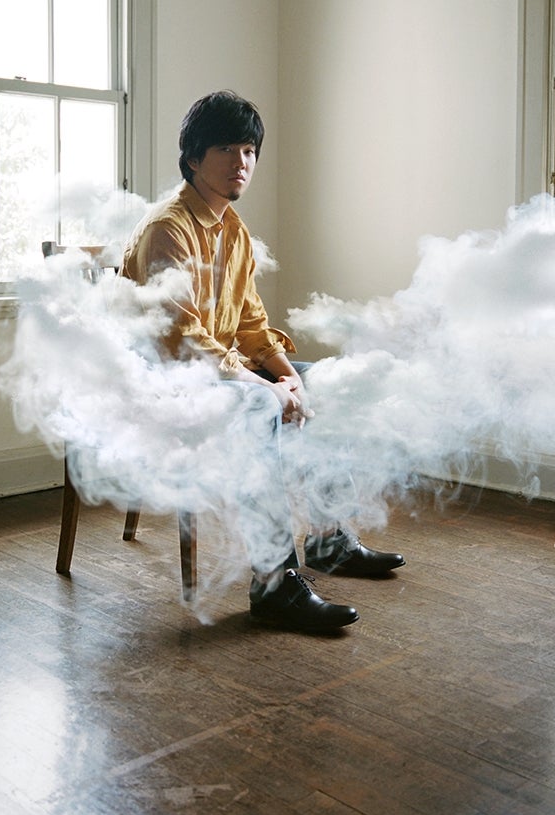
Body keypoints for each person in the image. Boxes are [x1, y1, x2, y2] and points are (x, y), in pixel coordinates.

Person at [122, 90, 404, 631]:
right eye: (226, 149)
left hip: (219, 373)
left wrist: (289, 378)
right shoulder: (167, 229)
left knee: (322, 382)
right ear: (193, 158)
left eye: (249, 150)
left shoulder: (233, 230)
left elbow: (250, 322)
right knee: (258, 406)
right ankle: (274, 584)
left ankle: (329, 541)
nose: (241, 162)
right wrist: (265, 389)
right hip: (166, 384)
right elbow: (182, 340)